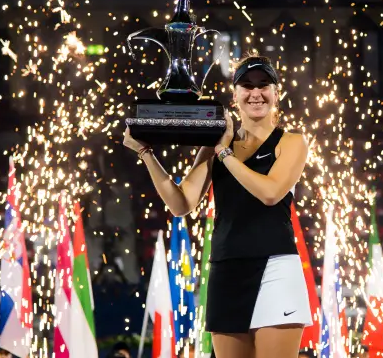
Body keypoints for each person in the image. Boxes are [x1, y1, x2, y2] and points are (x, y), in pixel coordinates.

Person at [124, 54, 312, 358]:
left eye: (263, 85)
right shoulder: (215, 145)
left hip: (276, 268)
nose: (255, 93)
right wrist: (146, 153)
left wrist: (224, 152)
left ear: (276, 93)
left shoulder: (290, 142)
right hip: (226, 268)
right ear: (234, 95)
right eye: (246, 86)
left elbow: (270, 193)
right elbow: (180, 204)